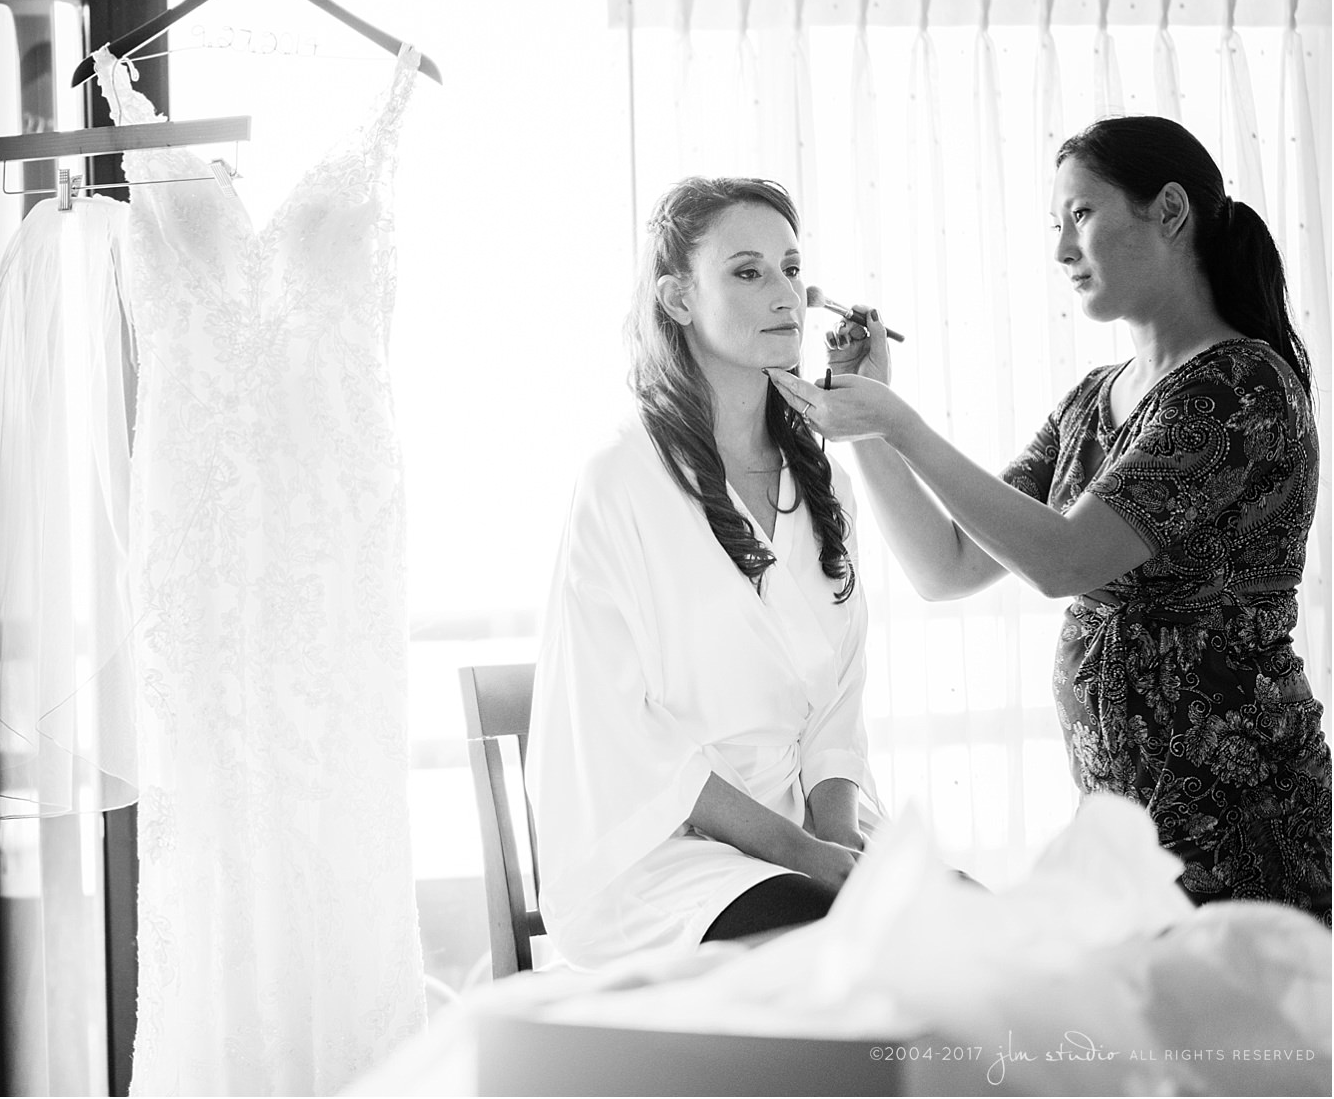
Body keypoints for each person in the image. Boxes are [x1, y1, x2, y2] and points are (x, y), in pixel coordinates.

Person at [769, 115, 1331, 925]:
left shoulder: (1238, 387)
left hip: (1243, 833)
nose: (1062, 249)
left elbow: (1065, 561)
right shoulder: (1089, 403)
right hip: (1128, 842)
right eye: (1056, 225)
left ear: (1170, 211)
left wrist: (902, 423)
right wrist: (871, 431)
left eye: (1083, 216)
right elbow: (948, 567)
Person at [525, 176, 880, 969]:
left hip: (811, 830)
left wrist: (842, 850)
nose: (784, 292)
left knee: (973, 924)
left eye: (793, 268)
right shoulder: (620, 481)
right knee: (830, 938)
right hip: (662, 853)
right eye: (748, 271)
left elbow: (837, 715)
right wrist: (813, 865)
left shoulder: (827, 487)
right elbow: (625, 736)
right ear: (679, 298)